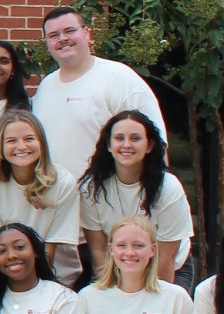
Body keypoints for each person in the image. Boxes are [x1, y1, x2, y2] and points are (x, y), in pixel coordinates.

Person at [34, 8, 167, 177]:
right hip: (55, 197)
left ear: (87, 33)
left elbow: (156, 143)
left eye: (70, 31)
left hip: (104, 197)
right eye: (54, 35)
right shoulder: (45, 86)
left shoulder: (119, 78)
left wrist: (155, 195)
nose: (63, 39)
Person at [79, 110, 193, 285]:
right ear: (108, 144)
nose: (126, 145)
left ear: (149, 145)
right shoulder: (91, 189)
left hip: (169, 269)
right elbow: (99, 251)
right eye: (119, 138)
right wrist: (109, 293)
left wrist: (157, 303)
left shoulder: (169, 187)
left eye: (135, 138)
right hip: (117, 268)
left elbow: (165, 256)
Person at [0, 110, 79, 278]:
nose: (21, 146)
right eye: (11, 141)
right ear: (0, 146)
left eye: (29, 139)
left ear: (42, 143)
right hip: (4, 274)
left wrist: (32, 291)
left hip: (53, 276)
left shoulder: (64, 183)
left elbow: (49, 251)